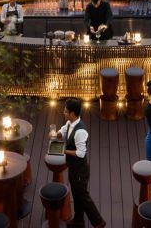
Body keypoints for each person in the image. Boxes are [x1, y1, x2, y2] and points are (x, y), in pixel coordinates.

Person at [59, 96, 106, 228]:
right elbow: (64, 129)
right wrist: (56, 134)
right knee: (76, 194)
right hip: (73, 168)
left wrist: (64, 151)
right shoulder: (70, 123)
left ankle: (99, 222)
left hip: (80, 170)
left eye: (65, 111)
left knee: (83, 197)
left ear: (72, 113)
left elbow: (81, 153)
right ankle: (79, 220)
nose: (64, 112)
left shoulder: (80, 131)